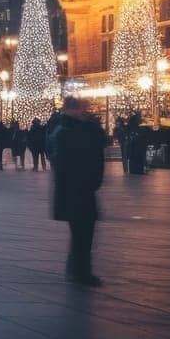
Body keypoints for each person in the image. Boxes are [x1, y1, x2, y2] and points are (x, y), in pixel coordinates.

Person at [50, 98, 105, 286]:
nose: (84, 111)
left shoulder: (73, 129)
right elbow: (69, 162)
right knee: (82, 232)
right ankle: (81, 272)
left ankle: (77, 269)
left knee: (82, 233)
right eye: (81, 108)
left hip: (80, 189)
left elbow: (99, 144)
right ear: (72, 110)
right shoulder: (68, 132)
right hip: (76, 190)